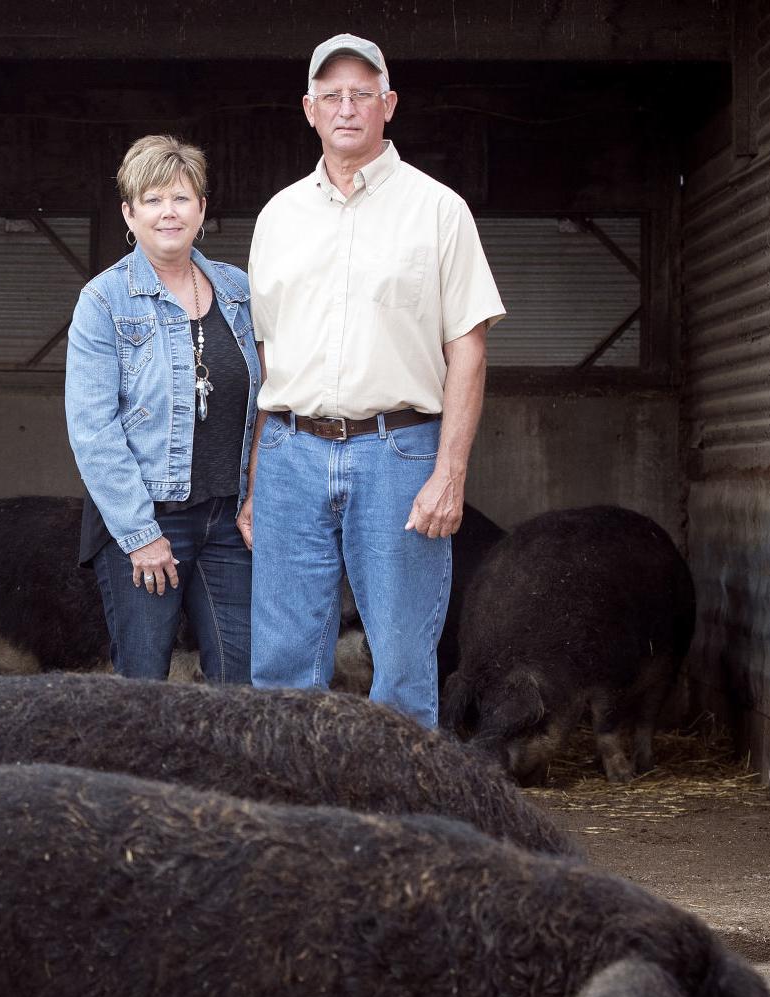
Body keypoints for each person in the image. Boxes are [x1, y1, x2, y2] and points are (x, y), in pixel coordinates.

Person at [243, 34, 505, 727]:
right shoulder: (278, 217)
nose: (346, 106)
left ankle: (400, 826)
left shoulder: (437, 210)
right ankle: (293, 815)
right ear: (308, 109)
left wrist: (449, 472)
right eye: (331, 95)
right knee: (281, 661)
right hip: (290, 455)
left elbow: (468, 348)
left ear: (388, 104)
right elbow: (268, 363)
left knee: (400, 659)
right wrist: (254, 485)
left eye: (362, 92)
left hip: (397, 452)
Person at [66, 134, 260, 682]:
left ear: (202, 208)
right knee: (144, 681)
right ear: (129, 213)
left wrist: (256, 493)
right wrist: (139, 534)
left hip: (229, 519)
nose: (168, 212)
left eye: (181, 198)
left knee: (241, 679)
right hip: (148, 521)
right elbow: (92, 428)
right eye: (152, 200)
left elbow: (273, 399)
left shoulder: (239, 291)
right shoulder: (105, 300)